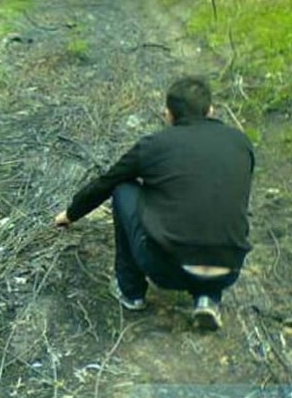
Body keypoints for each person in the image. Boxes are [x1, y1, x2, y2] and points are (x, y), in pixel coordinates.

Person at [54, 76, 255, 330]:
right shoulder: (240, 143)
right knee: (212, 208)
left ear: (168, 114)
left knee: (123, 187)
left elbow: (106, 182)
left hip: (166, 269)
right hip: (228, 270)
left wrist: (70, 214)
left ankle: (131, 292)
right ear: (210, 111)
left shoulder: (154, 145)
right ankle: (208, 297)